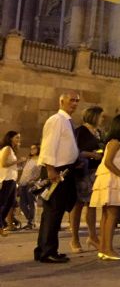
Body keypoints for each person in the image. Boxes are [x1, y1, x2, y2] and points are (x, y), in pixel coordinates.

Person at [34, 92, 80, 263]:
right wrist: (51, 170)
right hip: (57, 172)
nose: (74, 103)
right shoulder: (57, 120)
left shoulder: (67, 122)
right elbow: (48, 145)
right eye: (71, 100)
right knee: (53, 212)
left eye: (77, 101)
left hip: (65, 170)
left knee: (54, 212)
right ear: (61, 101)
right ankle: (48, 251)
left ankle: (44, 249)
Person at [90, 114, 120, 260]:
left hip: (107, 179)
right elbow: (108, 162)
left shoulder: (112, 143)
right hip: (110, 180)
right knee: (111, 216)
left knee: (106, 216)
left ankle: (103, 248)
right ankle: (108, 249)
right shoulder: (115, 143)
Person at [70, 106, 105, 253]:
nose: (103, 119)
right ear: (94, 116)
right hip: (82, 172)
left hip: (95, 172)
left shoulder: (99, 132)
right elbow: (74, 151)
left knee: (92, 205)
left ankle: (92, 236)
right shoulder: (80, 131)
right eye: (101, 116)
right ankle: (74, 239)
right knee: (77, 205)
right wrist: (91, 154)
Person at [1, 131, 24, 236]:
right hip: (7, 179)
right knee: (2, 202)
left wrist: (17, 166)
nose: (19, 140)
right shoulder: (7, 149)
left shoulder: (11, 150)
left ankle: (1, 224)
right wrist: (17, 161)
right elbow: (4, 163)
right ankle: (1, 225)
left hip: (12, 179)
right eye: (17, 137)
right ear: (10, 138)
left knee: (10, 203)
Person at [18, 144, 41, 230]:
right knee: (22, 204)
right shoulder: (29, 159)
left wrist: (34, 181)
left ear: (38, 149)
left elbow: (40, 173)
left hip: (32, 184)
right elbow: (23, 170)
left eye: (34, 148)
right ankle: (31, 221)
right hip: (23, 183)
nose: (32, 150)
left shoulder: (40, 160)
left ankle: (31, 222)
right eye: (31, 148)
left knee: (32, 203)